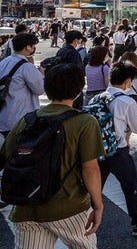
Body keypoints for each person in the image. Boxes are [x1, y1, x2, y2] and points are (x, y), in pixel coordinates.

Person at [0, 63, 104, 248]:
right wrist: (98, 205)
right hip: (68, 206)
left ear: (46, 90)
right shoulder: (85, 122)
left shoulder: (27, 120)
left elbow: (6, 155)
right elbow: (90, 169)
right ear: (79, 91)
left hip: (26, 206)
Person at [97, 61, 137, 235]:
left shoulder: (98, 97)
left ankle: (79, 221)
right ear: (127, 81)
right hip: (118, 150)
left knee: (94, 188)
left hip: (97, 149)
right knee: (130, 186)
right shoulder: (127, 101)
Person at [0, 33, 44, 137]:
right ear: (28, 47)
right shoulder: (27, 67)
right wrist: (41, 74)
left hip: (3, 117)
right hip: (20, 120)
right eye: (33, 45)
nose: (34, 48)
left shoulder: (4, 62)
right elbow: (39, 89)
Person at [56, 30, 86, 109]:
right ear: (76, 40)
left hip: (60, 84)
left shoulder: (61, 50)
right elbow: (77, 71)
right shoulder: (73, 53)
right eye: (79, 40)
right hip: (72, 87)